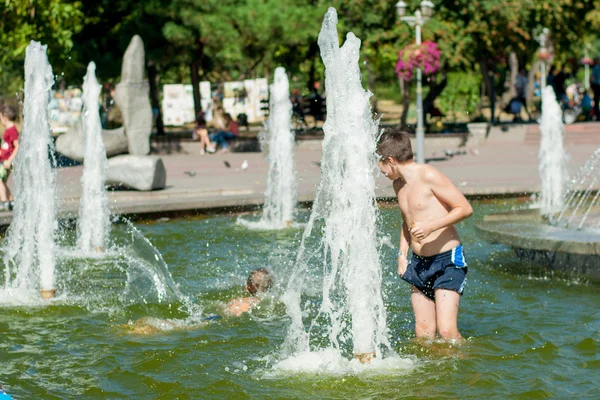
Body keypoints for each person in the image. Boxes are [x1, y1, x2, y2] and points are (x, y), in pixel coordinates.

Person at [377, 128, 473, 341]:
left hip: (447, 259)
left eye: (380, 162)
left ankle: (467, 369)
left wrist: (431, 226)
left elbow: (464, 208)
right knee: (423, 333)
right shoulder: (398, 185)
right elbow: (407, 221)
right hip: (419, 262)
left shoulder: (428, 175)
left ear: (390, 160)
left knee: (447, 332)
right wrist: (402, 254)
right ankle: (431, 373)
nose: (380, 169)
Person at [125, 268, 273, 334]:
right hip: (219, 323)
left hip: (214, 316)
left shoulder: (236, 300)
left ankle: (140, 327)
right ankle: (147, 330)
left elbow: (222, 306)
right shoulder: (259, 304)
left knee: (182, 324)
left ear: (247, 287)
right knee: (182, 328)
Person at [0, 104, 19, 211]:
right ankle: (12, 201)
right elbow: (7, 146)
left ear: (5, 118)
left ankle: (4, 202)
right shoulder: (8, 129)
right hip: (4, 160)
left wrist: (10, 160)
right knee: (2, 181)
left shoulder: (12, 130)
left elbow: (17, 146)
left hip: (7, 161)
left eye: (1, 118)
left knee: (0, 180)